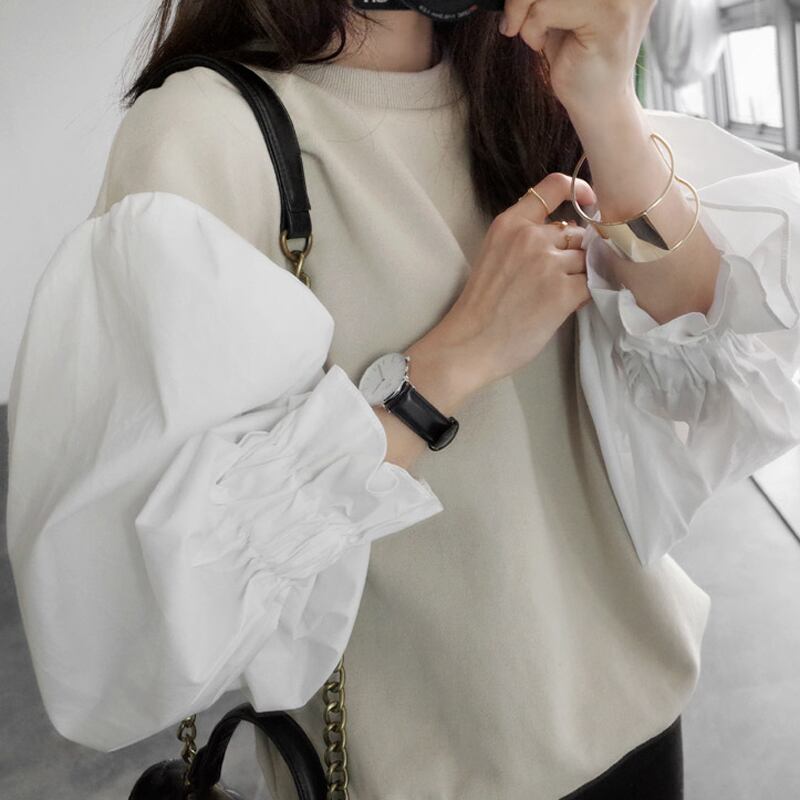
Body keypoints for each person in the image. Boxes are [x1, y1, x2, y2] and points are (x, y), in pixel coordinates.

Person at [6, 1, 800, 798]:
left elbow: (702, 340)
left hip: (638, 719)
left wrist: (607, 105)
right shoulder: (206, 132)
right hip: (424, 773)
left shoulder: (525, 77)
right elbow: (128, 627)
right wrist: (447, 364)